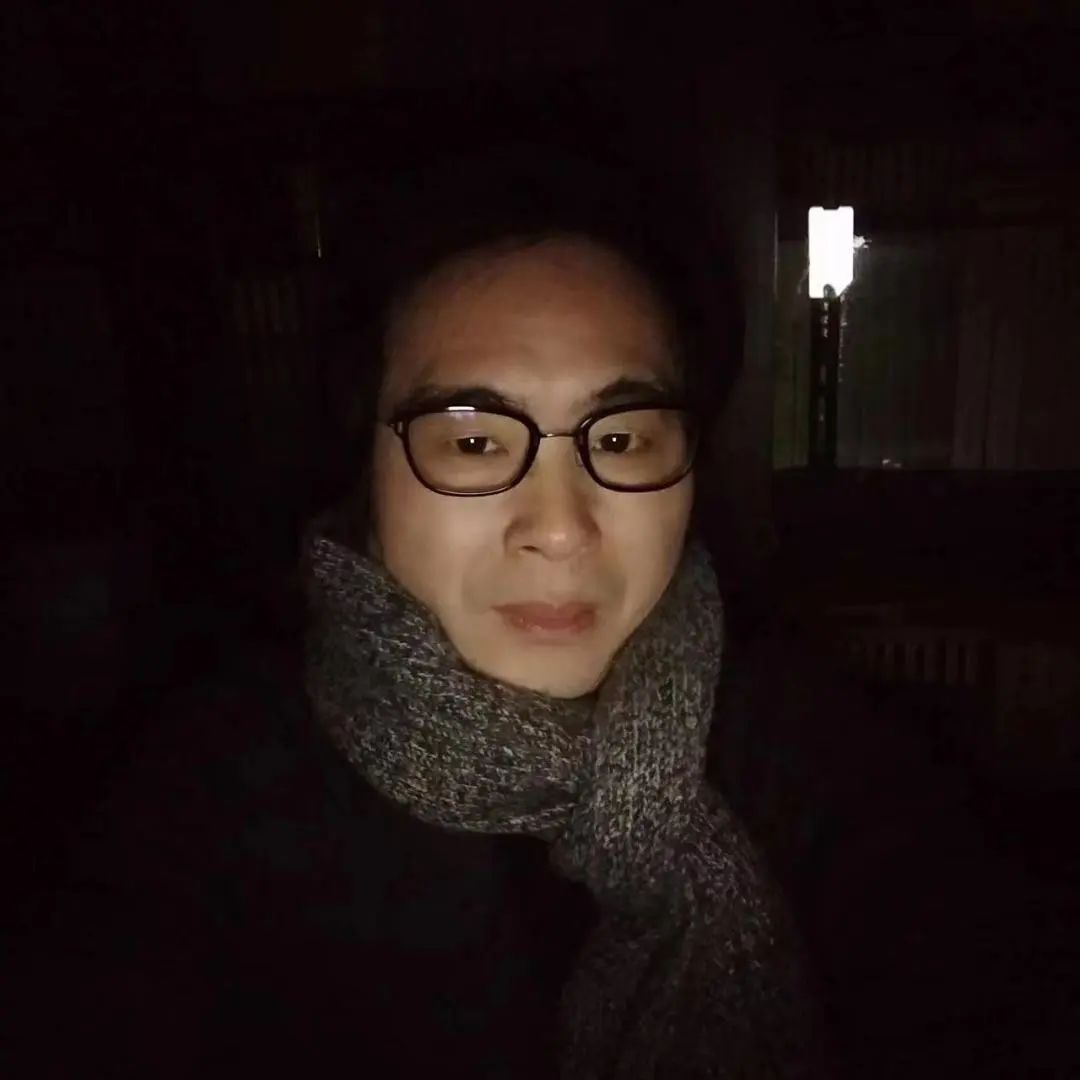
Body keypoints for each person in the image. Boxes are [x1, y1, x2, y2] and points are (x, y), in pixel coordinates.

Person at [9, 152, 820, 1078]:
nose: (560, 529)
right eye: (473, 442)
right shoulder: (196, 807)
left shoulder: (803, 753)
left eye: (625, 437)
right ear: (364, 470)